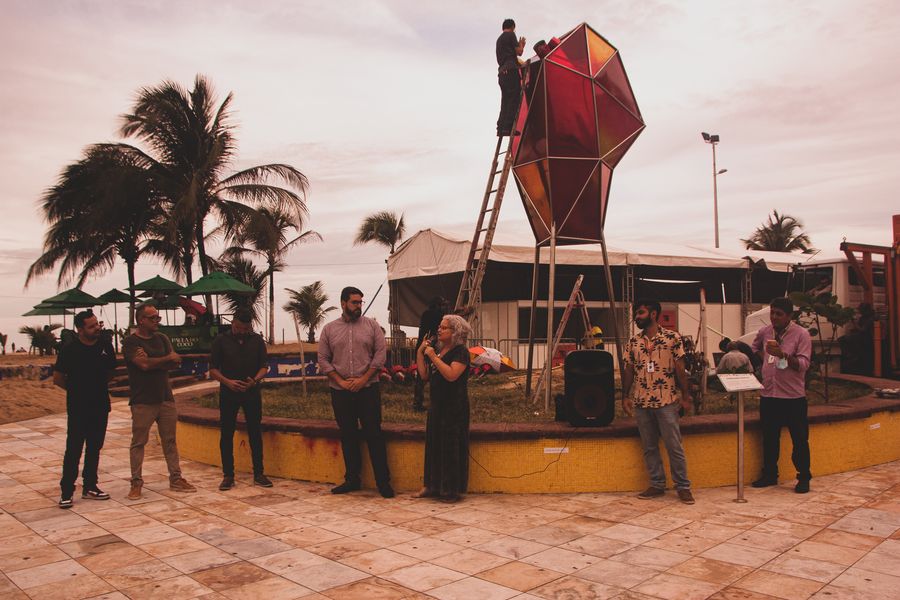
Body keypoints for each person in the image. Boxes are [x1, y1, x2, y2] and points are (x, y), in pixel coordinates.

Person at [318, 286, 394, 498]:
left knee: (374, 434)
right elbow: (323, 359)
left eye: (360, 302)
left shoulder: (372, 327)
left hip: (368, 389)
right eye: (354, 302)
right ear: (343, 303)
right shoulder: (329, 329)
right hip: (340, 391)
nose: (358, 306)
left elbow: (380, 356)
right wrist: (341, 382)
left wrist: (362, 379)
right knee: (348, 434)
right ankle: (352, 480)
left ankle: (383, 483)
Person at [622, 299, 695, 504]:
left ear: (653, 314)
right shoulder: (633, 342)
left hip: (667, 401)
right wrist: (625, 396)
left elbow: (681, 370)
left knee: (674, 446)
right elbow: (628, 370)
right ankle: (657, 484)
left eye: (641, 312)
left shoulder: (672, 338)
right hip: (642, 403)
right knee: (649, 446)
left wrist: (686, 397)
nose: (637, 317)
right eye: (636, 313)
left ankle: (683, 486)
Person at [124, 302, 195, 499]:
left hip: (165, 397)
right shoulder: (131, 342)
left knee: (170, 440)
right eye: (153, 318)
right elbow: (144, 365)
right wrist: (164, 359)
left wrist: (156, 360)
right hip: (143, 399)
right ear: (141, 320)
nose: (157, 321)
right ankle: (136, 482)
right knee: (139, 442)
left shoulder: (162, 338)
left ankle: (176, 477)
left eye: (158, 317)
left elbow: (175, 361)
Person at [53, 310, 117, 508]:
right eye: (91, 326)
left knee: (94, 447)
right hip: (78, 407)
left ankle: (90, 485)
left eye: (97, 324)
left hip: (100, 405)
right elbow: (58, 378)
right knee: (73, 449)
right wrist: (78, 391)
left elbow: (110, 373)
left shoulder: (105, 345)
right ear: (80, 329)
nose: (97, 328)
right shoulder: (70, 349)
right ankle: (66, 490)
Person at [751, 297, 813, 493]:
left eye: (779, 314)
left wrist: (782, 356)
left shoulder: (801, 335)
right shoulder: (765, 332)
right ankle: (770, 474)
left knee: (800, 439)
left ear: (789, 316)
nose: (774, 317)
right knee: (769, 438)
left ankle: (803, 477)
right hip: (769, 395)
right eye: (772, 313)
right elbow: (754, 348)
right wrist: (765, 361)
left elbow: (803, 365)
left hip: (793, 398)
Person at [209, 308, 271, 490]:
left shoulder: (257, 341)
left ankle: (259, 473)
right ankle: (228, 475)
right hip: (229, 393)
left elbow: (264, 366)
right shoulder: (221, 340)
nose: (243, 332)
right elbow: (213, 369)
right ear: (233, 324)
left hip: (251, 392)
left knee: (255, 433)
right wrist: (227, 382)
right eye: (239, 328)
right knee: (226, 434)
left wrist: (255, 380)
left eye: (246, 329)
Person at [415, 314, 472, 503]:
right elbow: (424, 375)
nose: (439, 330)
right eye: (439, 326)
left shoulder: (460, 352)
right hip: (437, 406)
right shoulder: (439, 350)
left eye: (444, 327)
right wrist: (421, 353)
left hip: (454, 407)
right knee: (434, 446)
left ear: (455, 332)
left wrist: (432, 356)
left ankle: (450, 490)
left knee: (450, 448)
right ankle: (431, 485)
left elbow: (452, 375)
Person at [414, 296, 447, 411]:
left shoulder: (426, 314)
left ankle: (418, 403)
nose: (444, 307)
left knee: (421, 377)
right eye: (442, 305)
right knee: (434, 374)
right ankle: (433, 402)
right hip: (429, 345)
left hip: (422, 345)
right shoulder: (437, 315)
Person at [496, 18, 526, 136]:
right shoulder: (511, 34)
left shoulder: (499, 40)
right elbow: (519, 52)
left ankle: (501, 128)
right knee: (514, 97)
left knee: (505, 101)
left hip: (502, 73)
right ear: (512, 27)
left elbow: (509, 55)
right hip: (511, 71)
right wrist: (521, 45)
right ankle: (508, 127)